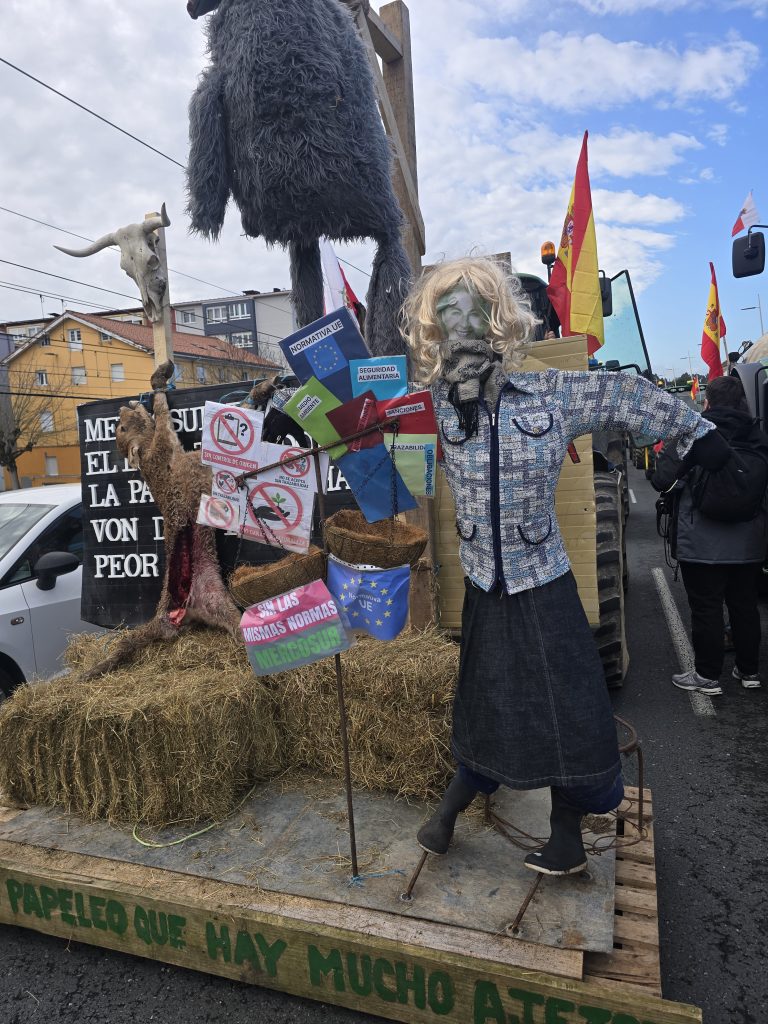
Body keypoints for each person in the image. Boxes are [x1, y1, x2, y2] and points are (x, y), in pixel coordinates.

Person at [402, 257, 729, 876]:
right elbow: (369, 419)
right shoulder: (435, 404)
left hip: (542, 584)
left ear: (497, 317)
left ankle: (566, 836)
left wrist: (698, 431)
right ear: (432, 325)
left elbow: (626, 394)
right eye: (447, 311)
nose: (461, 323)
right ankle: (452, 807)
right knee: (485, 704)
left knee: (567, 711)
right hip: (484, 585)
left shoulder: (550, 392)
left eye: (473, 308)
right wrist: (297, 418)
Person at [652, 375, 768, 694]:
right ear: (743, 402)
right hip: (749, 541)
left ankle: (707, 676)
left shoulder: (696, 432)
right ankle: (749, 671)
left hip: (700, 541)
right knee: (745, 607)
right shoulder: (757, 434)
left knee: (706, 608)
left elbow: (662, 479)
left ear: (707, 402)